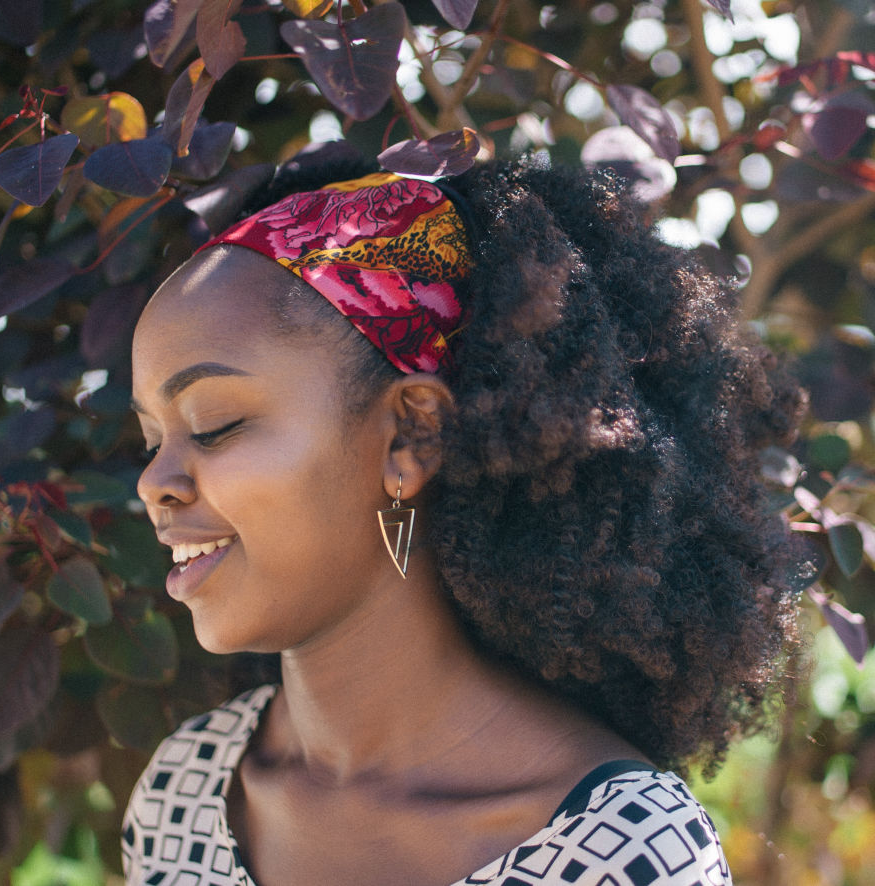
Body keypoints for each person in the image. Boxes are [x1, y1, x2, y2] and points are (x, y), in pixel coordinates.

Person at [121, 145, 811, 886]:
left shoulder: (618, 853)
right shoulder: (182, 794)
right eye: (152, 438)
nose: (154, 481)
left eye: (215, 424)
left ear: (412, 436)